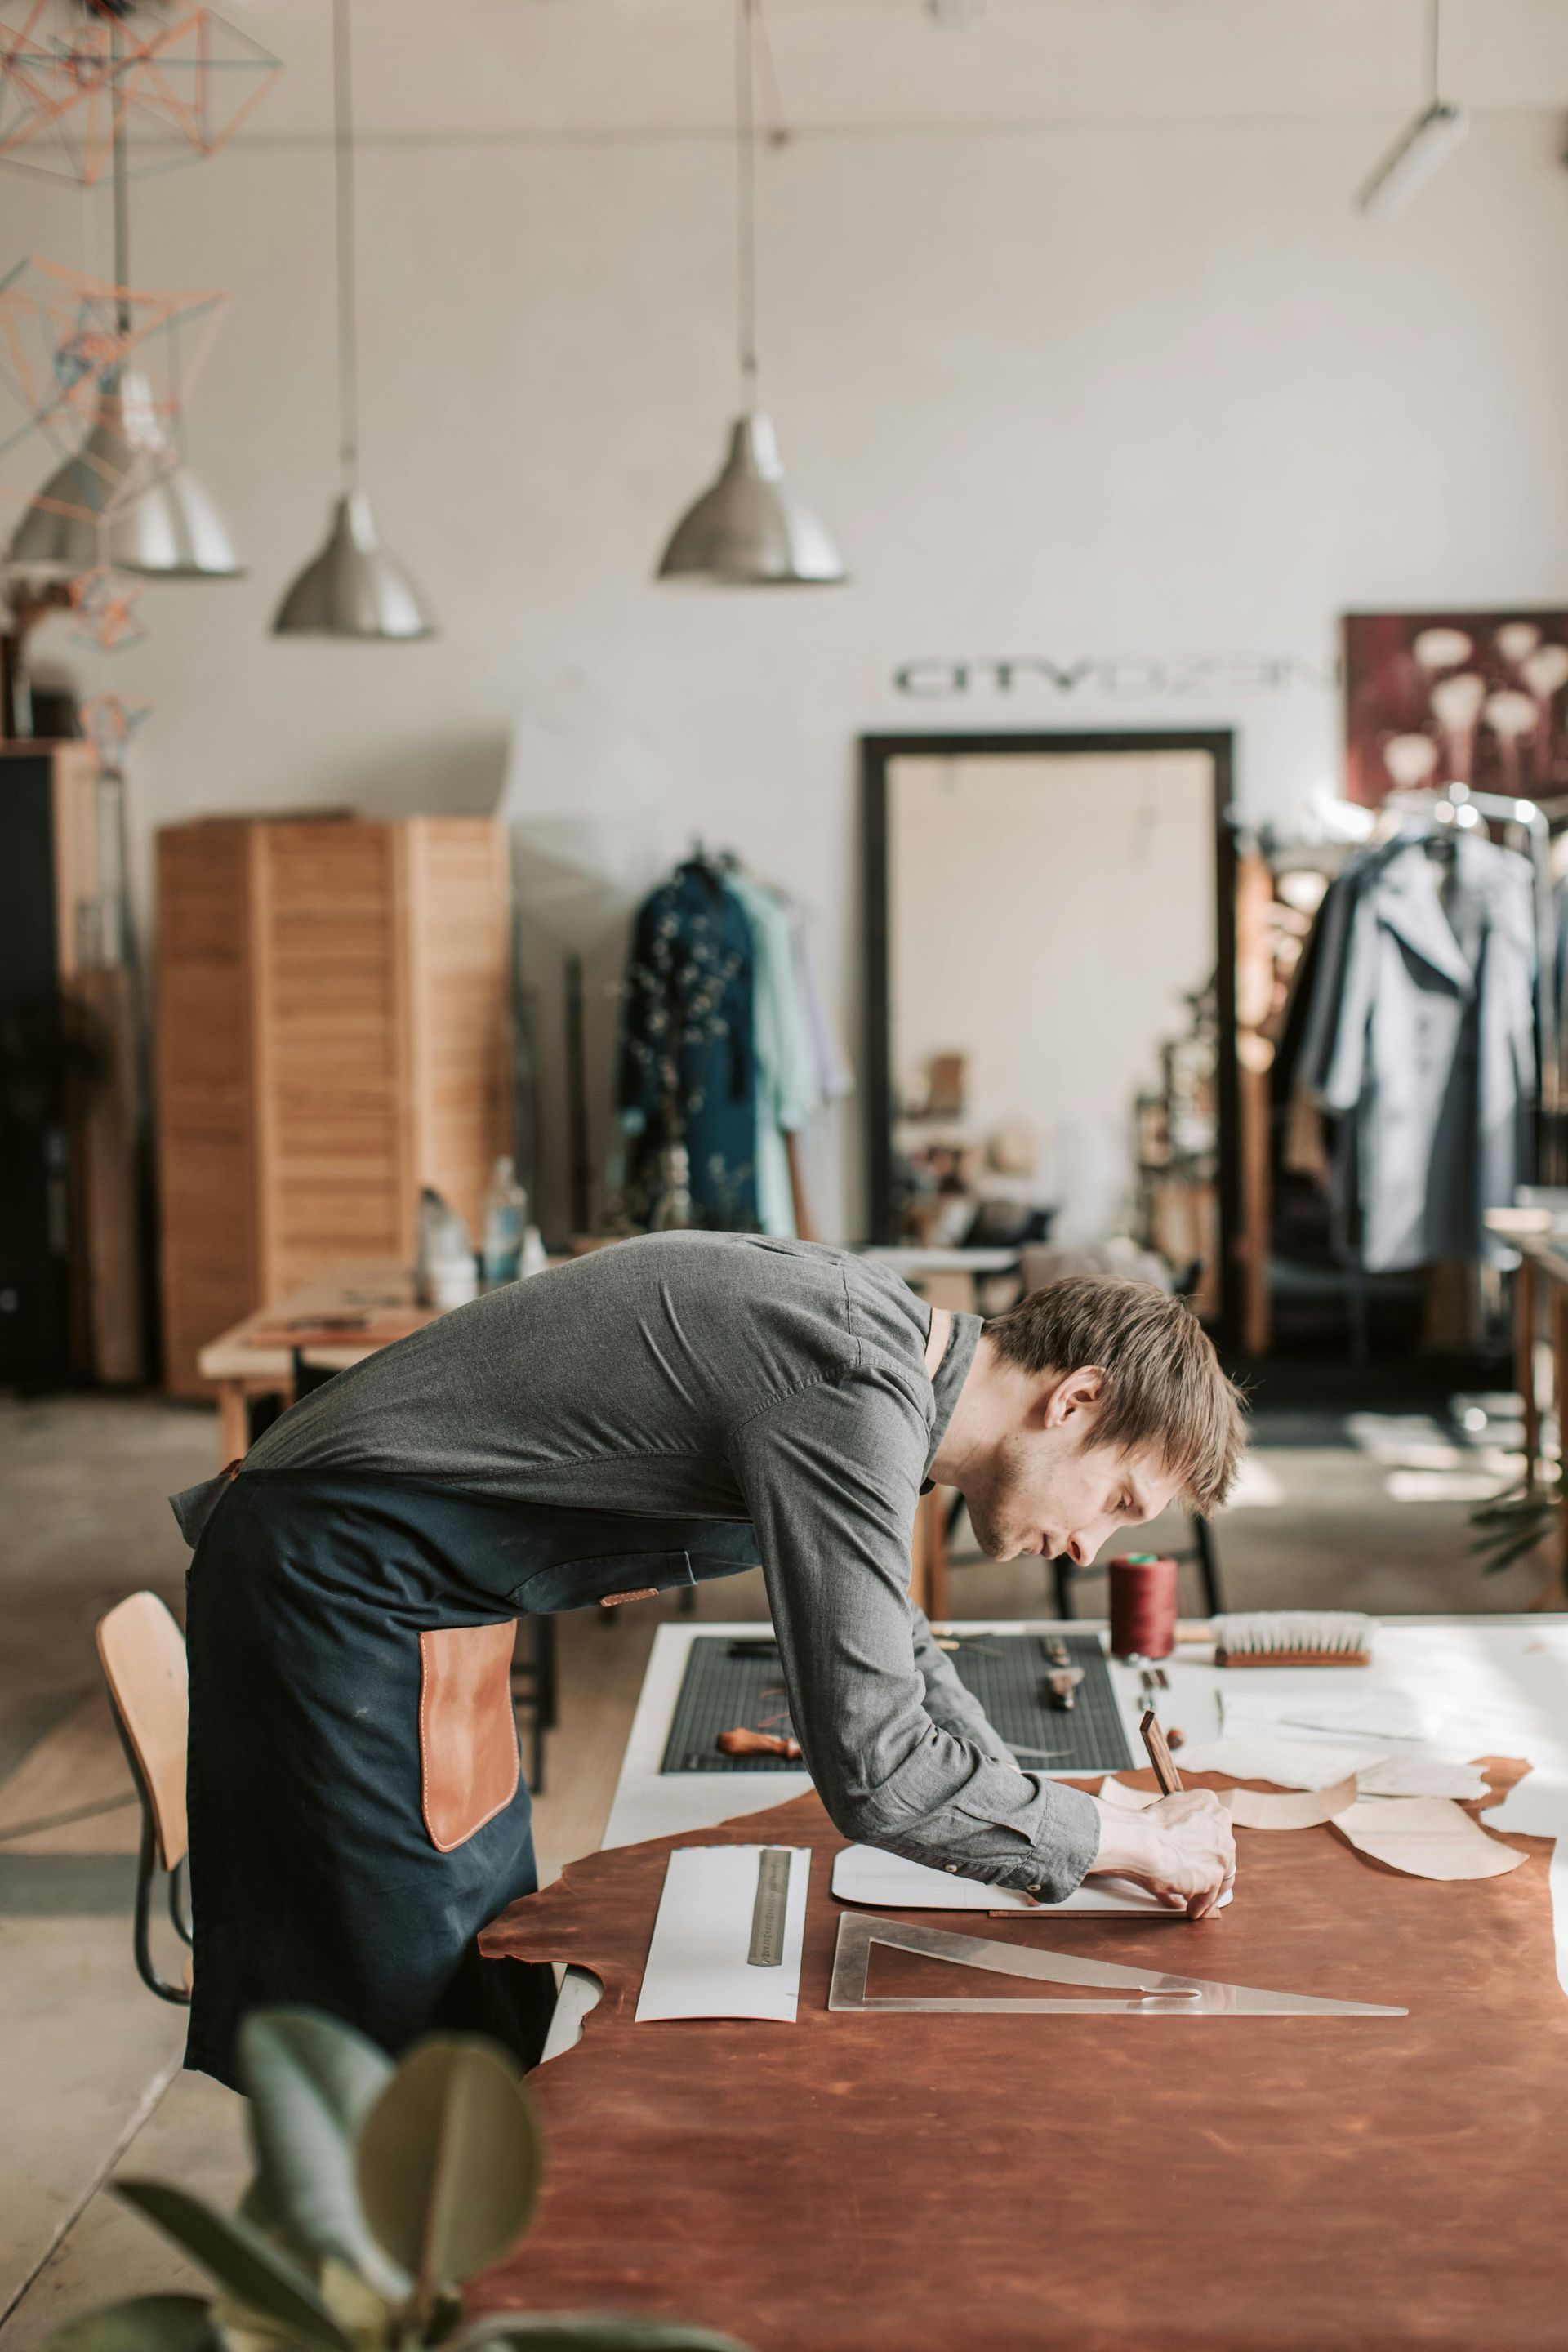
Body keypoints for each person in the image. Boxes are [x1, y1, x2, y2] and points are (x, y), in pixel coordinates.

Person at [171, 1233, 1243, 2087]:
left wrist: (1076, 1816)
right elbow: (881, 1775)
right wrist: (1121, 1846)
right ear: (1078, 1400)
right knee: (401, 2040)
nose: (1092, 1545)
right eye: (1116, 1501)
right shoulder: (852, 1388)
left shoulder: (883, 1359)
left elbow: (892, 1639)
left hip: (407, 1595)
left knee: (487, 1979)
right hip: (330, 1587)